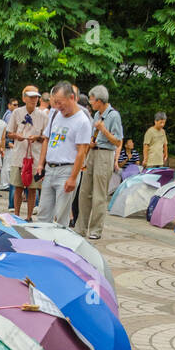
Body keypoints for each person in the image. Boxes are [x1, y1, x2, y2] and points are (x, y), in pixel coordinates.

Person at [34, 82, 92, 225]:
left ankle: (58, 245)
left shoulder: (82, 121)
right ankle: (41, 244)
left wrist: (73, 178)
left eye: (60, 103)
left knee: (61, 216)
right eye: (55, 103)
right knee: (43, 213)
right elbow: (47, 139)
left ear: (72, 98)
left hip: (67, 171)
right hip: (50, 169)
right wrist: (41, 164)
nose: (58, 106)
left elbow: (81, 152)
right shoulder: (55, 114)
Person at [75, 85, 122, 239]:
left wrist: (104, 130)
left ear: (100, 100)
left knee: (99, 195)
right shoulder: (96, 115)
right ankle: (80, 228)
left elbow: (117, 141)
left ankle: (95, 230)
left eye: (92, 100)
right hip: (93, 153)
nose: (91, 102)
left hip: (105, 154)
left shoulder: (113, 115)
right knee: (84, 192)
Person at [7, 86, 47, 221]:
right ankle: (16, 215)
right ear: (24, 98)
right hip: (19, 155)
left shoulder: (42, 115)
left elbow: (45, 137)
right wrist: (17, 136)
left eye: (36, 97)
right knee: (17, 187)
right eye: (30, 97)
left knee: (33, 188)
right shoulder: (17, 113)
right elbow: (9, 133)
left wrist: (36, 137)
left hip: (35, 156)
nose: (33, 100)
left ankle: (29, 216)